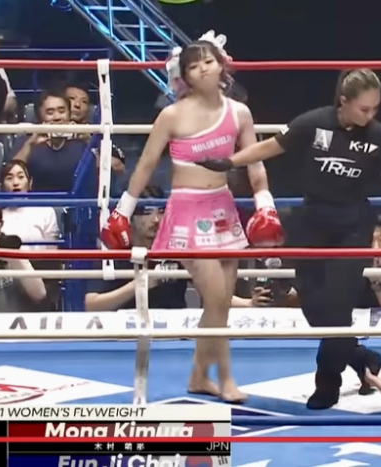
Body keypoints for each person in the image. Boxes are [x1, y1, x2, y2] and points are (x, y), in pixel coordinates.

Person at [197, 68, 381, 409]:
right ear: (344, 101)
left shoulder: (378, 136)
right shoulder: (314, 122)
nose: (370, 115)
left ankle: (327, 382)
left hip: (353, 226)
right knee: (315, 309)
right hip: (312, 222)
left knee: (337, 306)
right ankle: (362, 357)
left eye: (375, 108)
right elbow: (270, 147)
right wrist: (229, 161)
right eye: (364, 108)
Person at [100, 31, 284, 404]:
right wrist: (122, 212)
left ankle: (199, 377)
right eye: (194, 65)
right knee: (216, 299)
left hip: (223, 206)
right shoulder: (172, 115)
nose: (202, 69)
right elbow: (145, 166)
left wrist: (266, 205)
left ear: (222, 65)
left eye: (208, 61)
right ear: (183, 75)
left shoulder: (239, 113)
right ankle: (226, 379)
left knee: (220, 303)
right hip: (187, 211)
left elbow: (255, 164)